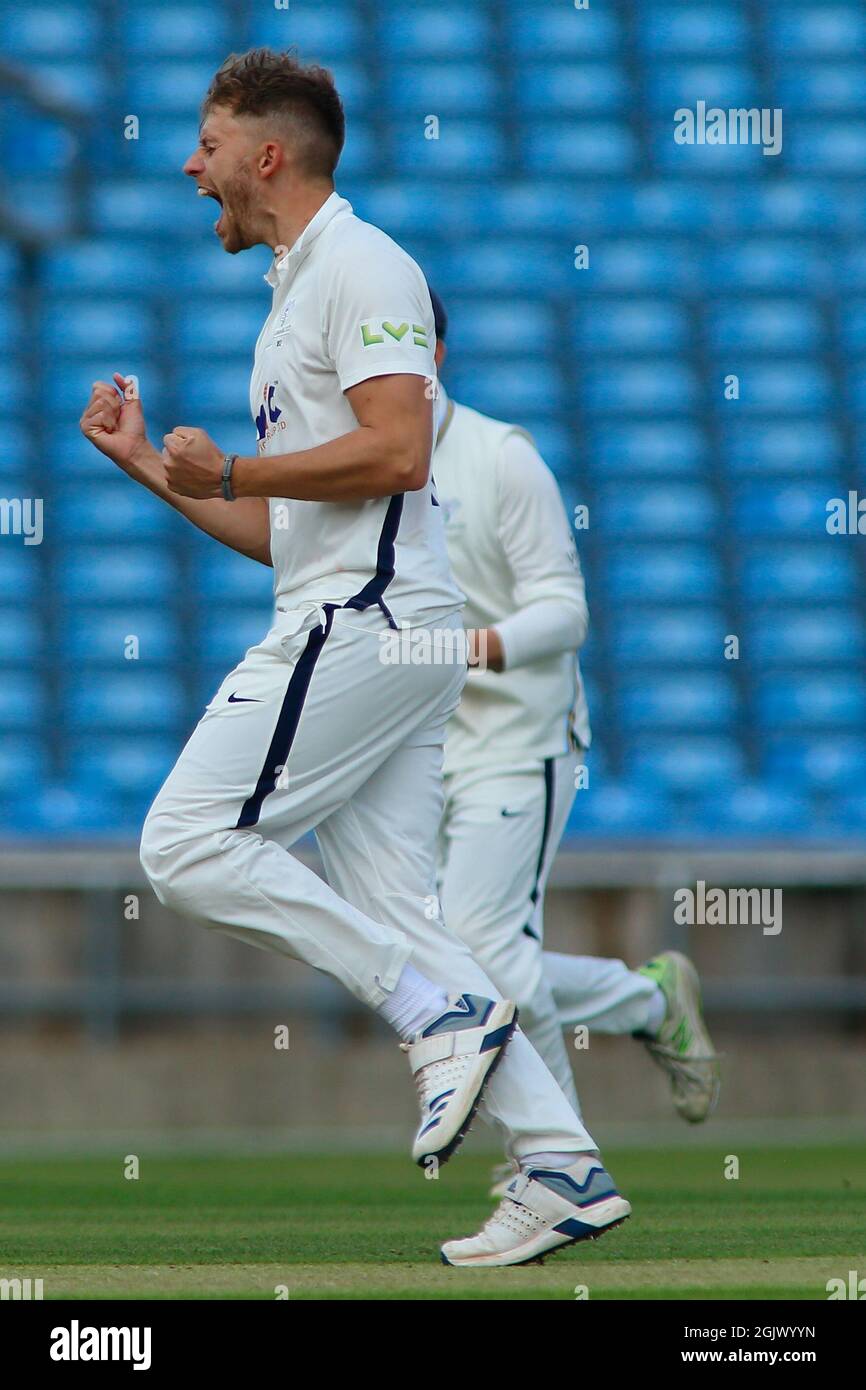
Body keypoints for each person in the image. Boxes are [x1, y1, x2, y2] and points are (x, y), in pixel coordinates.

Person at [78, 49, 629, 1268]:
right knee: (394, 906)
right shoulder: (295, 291)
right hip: (353, 611)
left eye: (208, 145)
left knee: (182, 842)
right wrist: (154, 468)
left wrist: (232, 463)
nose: (191, 166)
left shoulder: (365, 264)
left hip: (369, 622)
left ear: (266, 154)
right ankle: (559, 1167)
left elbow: (396, 455)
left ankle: (435, 1012)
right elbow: (285, 530)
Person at [429, 290, 720, 1196]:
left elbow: (566, 611)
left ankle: (553, 1171)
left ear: (431, 353)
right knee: (445, 953)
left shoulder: (499, 458)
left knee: (491, 949)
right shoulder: (354, 466)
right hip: (420, 750)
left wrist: (470, 649)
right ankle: (648, 999)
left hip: (521, 735)